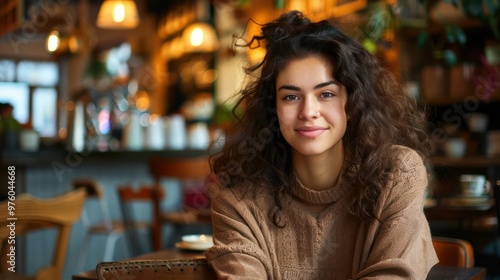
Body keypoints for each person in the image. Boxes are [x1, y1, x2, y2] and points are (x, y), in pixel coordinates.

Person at [206, 10, 438, 279]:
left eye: (326, 94)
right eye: (291, 97)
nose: (309, 111)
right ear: (273, 109)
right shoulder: (236, 198)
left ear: (351, 103)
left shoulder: (397, 173)